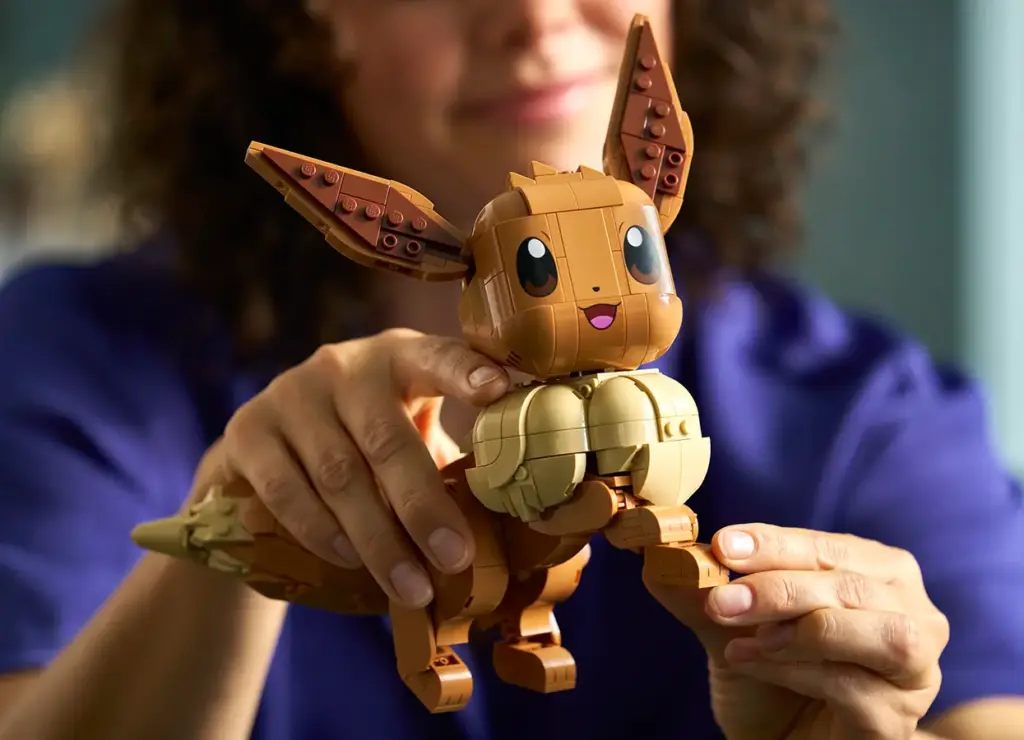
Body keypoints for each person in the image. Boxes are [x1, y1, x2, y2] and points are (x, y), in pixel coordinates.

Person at [0, 0, 1021, 738]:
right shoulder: (84, 359)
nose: (533, 18)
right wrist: (235, 546)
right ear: (300, 17)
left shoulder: (866, 414)